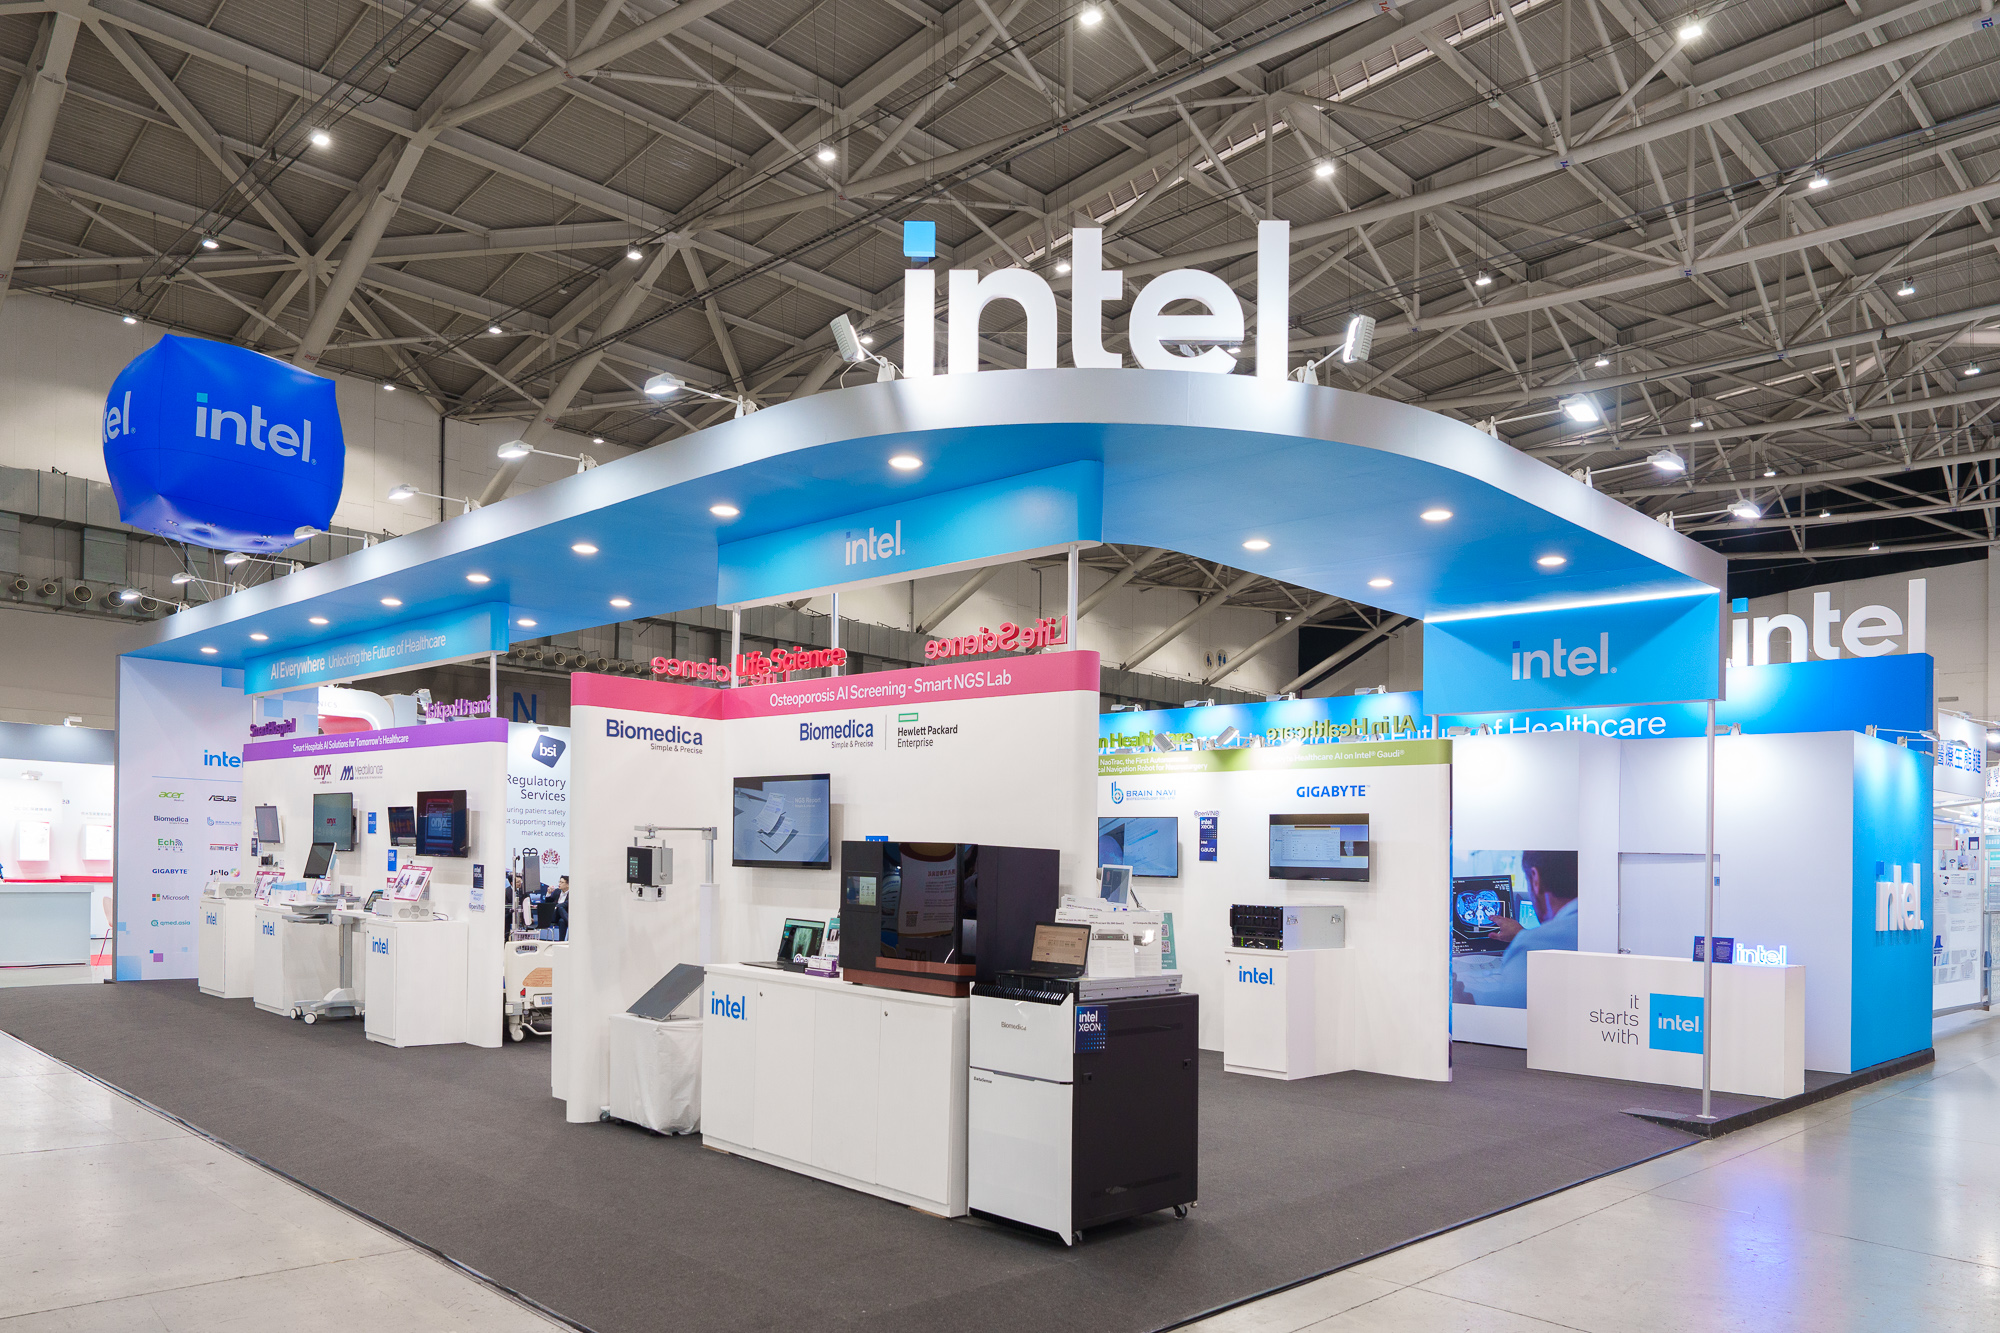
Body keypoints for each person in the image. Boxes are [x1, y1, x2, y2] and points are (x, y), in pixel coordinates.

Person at [1453, 850, 1578, 1009]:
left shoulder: (1529, 947)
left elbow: (1505, 1016)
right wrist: (1522, 934)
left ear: (1535, 878)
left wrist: (1457, 994)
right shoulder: (1599, 925)